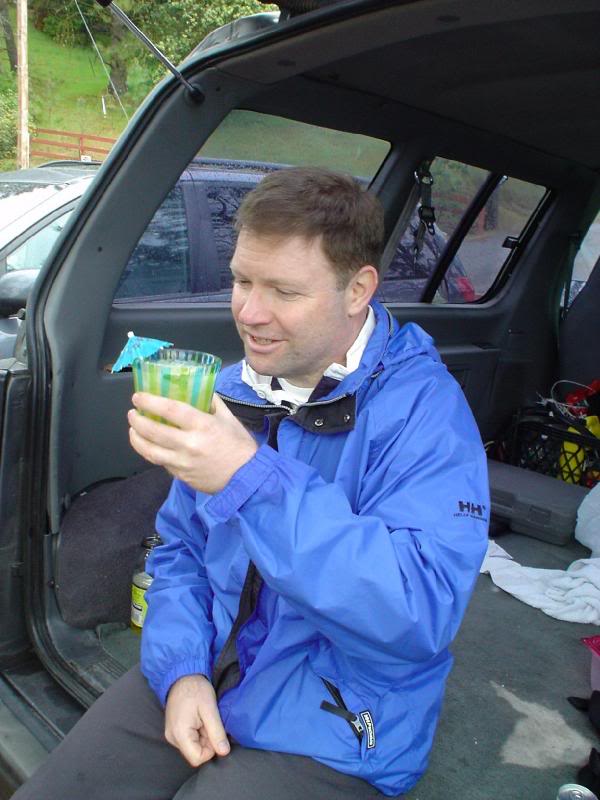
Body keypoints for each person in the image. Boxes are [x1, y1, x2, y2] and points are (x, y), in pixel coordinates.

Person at [13, 167, 489, 800]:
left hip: (337, 715)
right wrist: (182, 670)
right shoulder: (235, 390)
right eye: (241, 280)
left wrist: (249, 477)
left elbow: (414, 615)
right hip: (206, 663)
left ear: (358, 290)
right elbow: (179, 550)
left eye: (285, 292)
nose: (249, 312)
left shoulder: (426, 415)